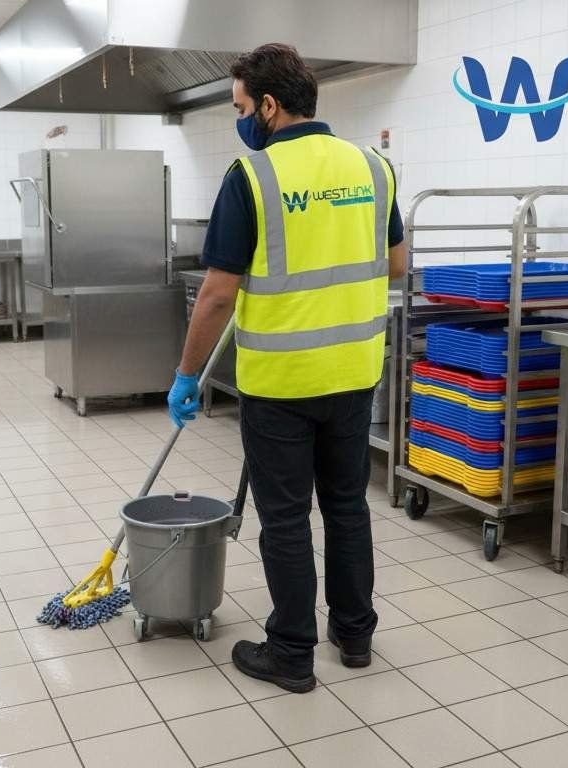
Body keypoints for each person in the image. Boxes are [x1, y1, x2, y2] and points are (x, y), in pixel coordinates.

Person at [167, 43, 407, 693]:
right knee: (348, 507)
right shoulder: (374, 168)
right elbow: (396, 266)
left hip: (281, 385)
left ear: (269, 106)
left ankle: (292, 652)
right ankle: (354, 636)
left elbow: (218, 292)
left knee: (286, 519)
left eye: (242, 107)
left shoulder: (253, 177)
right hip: (356, 373)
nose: (242, 120)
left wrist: (188, 376)